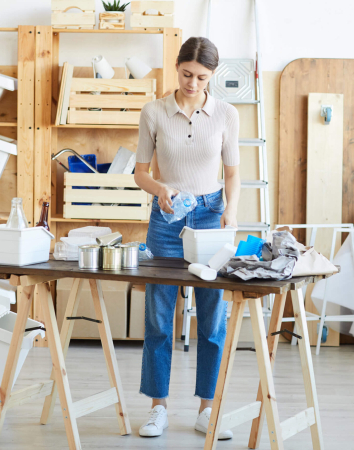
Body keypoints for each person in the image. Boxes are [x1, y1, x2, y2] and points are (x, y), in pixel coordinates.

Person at [133, 36, 241, 440]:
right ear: (176, 67)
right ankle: (158, 407)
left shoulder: (227, 114)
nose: (193, 83)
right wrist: (159, 189)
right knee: (160, 316)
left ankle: (207, 409)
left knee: (213, 317)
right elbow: (140, 171)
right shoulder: (154, 112)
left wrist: (231, 210)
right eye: (186, 74)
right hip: (166, 219)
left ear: (212, 76)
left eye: (201, 77)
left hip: (211, 215)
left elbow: (232, 174)